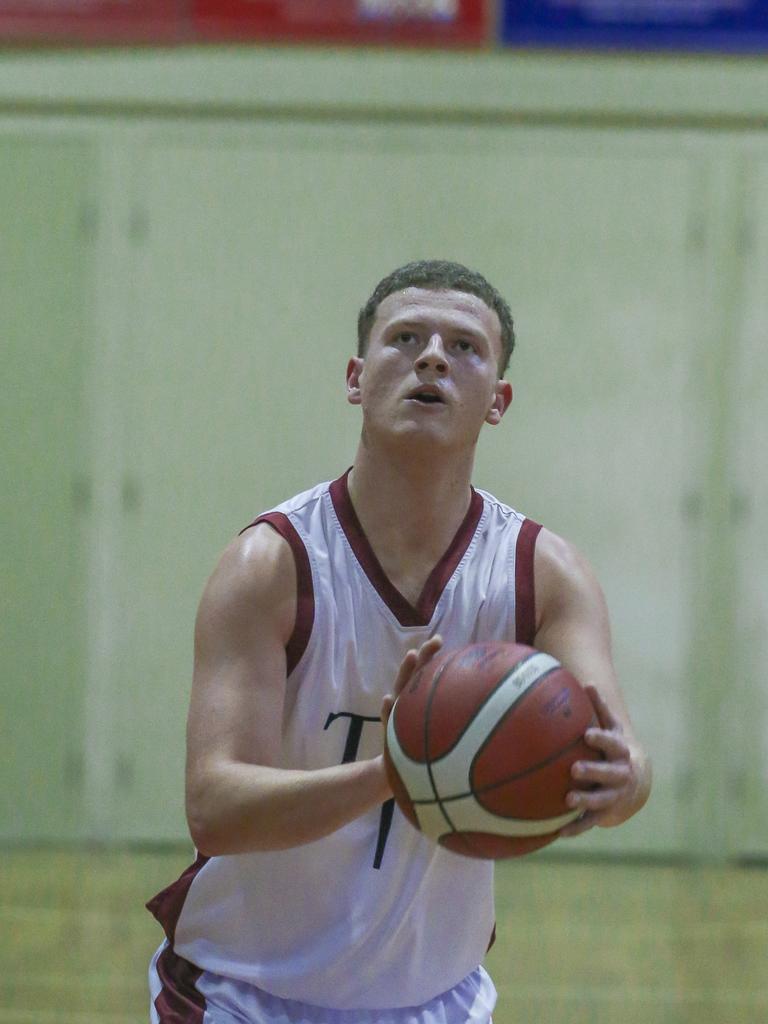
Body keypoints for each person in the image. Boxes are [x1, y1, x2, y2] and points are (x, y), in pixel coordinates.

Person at [147, 260, 651, 1024]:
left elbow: (619, 765)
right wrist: (397, 770)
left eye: (465, 347)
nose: (432, 358)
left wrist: (624, 781)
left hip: (435, 1000)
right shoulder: (270, 564)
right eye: (405, 338)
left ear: (498, 401)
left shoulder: (543, 573)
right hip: (242, 995)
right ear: (356, 377)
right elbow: (215, 808)